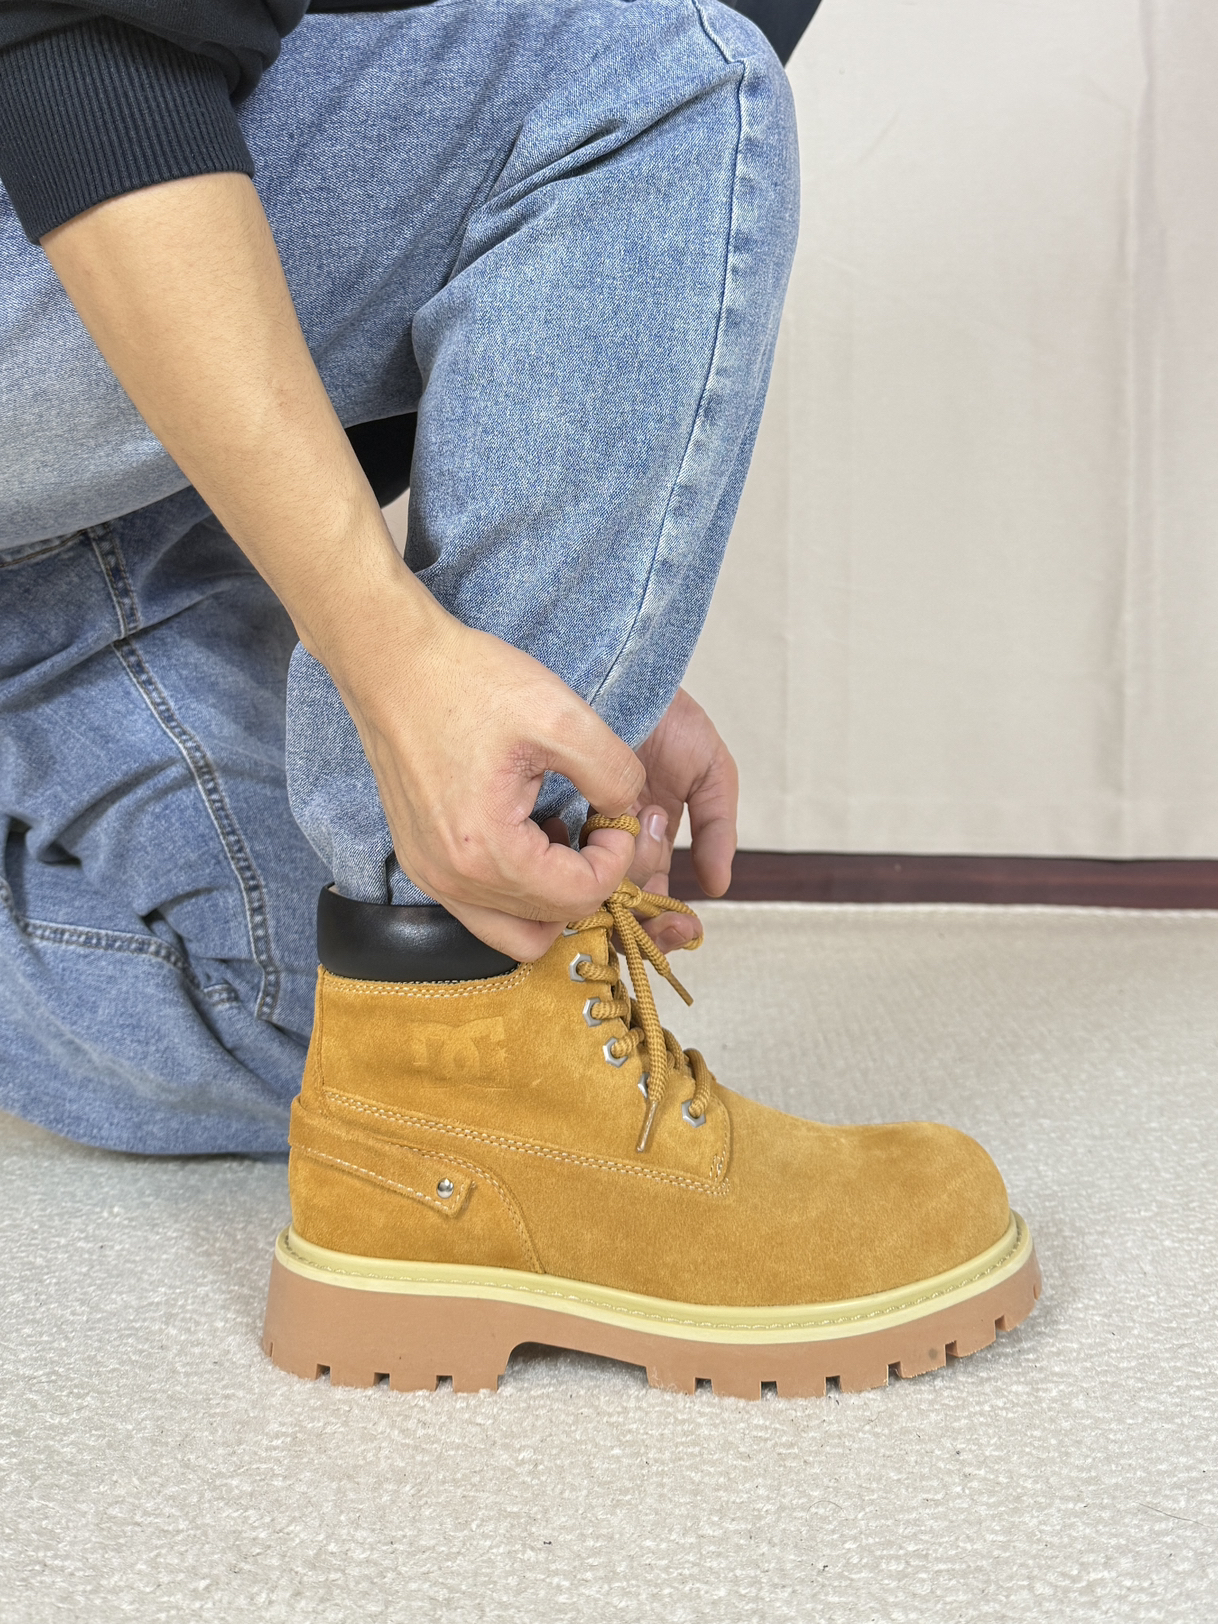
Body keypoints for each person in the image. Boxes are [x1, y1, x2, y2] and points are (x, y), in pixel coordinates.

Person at [0, 0, 1039, 1396]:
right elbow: (75, 51)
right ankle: (467, 1003)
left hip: (81, 495)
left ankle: (463, 1061)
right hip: (63, 182)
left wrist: (578, 616)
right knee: (657, 73)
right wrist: (386, 647)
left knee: (338, 1044)